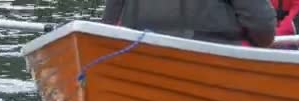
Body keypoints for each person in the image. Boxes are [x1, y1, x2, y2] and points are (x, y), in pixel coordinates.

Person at [102, 0, 277, 47]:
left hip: (138, 52)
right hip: (211, 51)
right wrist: (262, 42)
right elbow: (262, 26)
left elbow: (107, 26)